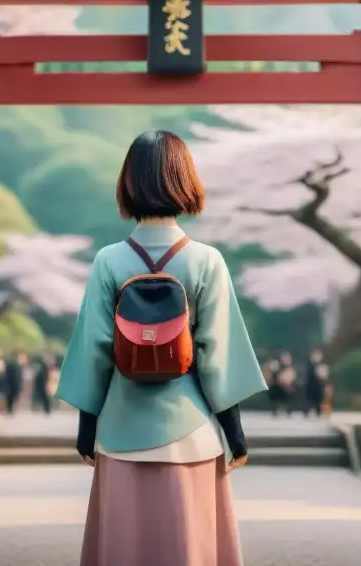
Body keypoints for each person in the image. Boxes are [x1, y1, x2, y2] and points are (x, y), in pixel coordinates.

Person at [55, 130, 268, 566]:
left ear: (128, 182)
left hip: (118, 428)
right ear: (184, 179)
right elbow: (218, 354)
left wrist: (86, 428)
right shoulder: (206, 260)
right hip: (190, 431)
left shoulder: (109, 260)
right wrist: (235, 434)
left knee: (124, 548)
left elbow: (93, 351)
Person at [304, 348, 330, 417]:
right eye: (317, 355)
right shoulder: (310, 364)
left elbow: (324, 376)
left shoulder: (320, 364)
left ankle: (319, 411)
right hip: (312, 385)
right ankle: (309, 411)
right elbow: (312, 374)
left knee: (319, 399)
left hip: (318, 385)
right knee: (311, 399)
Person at [273, 351, 297, 415]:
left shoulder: (291, 367)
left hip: (288, 386)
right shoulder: (278, 366)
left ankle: (288, 410)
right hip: (279, 386)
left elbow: (293, 377)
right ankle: (276, 408)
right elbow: (276, 377)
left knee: (290, 391)